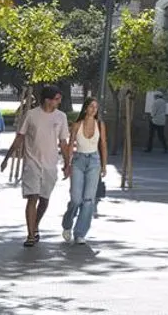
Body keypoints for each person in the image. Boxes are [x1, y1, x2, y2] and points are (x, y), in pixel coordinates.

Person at [4, 84, 72, 248]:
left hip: (50, 164)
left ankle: (35, 225)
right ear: (48, 100)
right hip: (32, 163)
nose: (59, 102)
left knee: (44, 200)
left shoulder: (61, 117)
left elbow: (63, 142)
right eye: (57, 99)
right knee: (32, 198)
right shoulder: (32, 115)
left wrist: (67, 163)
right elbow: (20, 136)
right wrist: (8, 156)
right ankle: (29, 234)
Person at [59, 97, 108, 245]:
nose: (94, 109)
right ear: (85, 108)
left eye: (96, 107)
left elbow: (103, 145)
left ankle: (80, 233)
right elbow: (69, 146)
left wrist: (104, 166)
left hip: (94, 161)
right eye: (91, 106)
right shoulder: (77, 125)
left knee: (88, 200)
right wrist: (67, 164)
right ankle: (67, 224)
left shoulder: (100, 125)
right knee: (76, 199)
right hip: (78, 161)